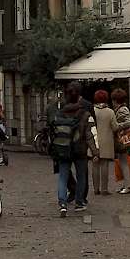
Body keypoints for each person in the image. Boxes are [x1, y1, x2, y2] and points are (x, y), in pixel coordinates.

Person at [47, 84, 92, 216]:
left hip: (63, 147)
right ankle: (79, 202)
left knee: (63, 176)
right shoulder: (85, 113)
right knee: (81, 175)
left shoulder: (60, 113)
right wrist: (95, 151)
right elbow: (89, 134)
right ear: (79, 96)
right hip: (80, 149)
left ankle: (62, 203)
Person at [111, 88, 130, 193]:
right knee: (123, 162)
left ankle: (127, 186)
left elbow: (129, 122)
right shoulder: (122, 108)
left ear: (115, 100)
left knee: (123, 162)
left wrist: (117, 126)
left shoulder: (122, 109)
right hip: (123, 139)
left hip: (123, 139)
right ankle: (125, 185)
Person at [91, 90, 117, 197]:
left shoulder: (92, 111)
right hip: (106, 140)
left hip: (94, 140)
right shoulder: (110, 112)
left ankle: (96, 189)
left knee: (95, 164)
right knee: (104, 165)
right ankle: (104, 189)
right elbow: (115, 127)